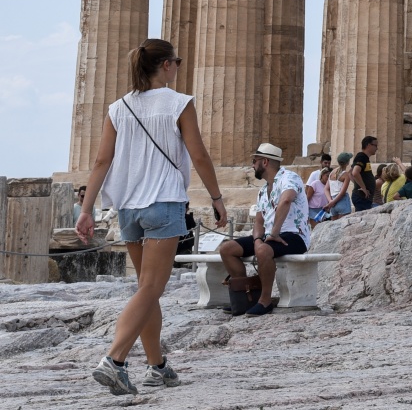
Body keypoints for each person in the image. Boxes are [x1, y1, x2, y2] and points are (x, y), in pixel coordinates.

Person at [78, 39, 227, 395]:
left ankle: (158, 366)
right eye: (176, 60)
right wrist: (217, 198)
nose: (177, 65)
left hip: (128, 209)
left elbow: (102, 162)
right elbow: (200, 155)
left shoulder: (119, 108)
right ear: (165, 66)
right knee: (150, 288)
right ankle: (114, 361)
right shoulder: (178, 103)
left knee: (148, 290)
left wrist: (86, 210)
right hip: (163, 204)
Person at [217, 142, 309, 318]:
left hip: (294, 235)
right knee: (227, 249)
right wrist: (258, 238)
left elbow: (286, 201)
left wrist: (274, 233)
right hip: (269, 236)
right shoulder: (262, 190)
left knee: (263, 250)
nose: (252, 165)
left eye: (254, 160)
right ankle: (245, 296)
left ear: (264, 162)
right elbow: (259, 221)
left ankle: (265, 301)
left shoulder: (289, 178)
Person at [348, 135, 379, 211]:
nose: (377, 148)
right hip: (362, 197)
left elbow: (350, 172)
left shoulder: (364, 158)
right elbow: (355, 173)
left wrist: (359, 184)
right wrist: (363, 188)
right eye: (375, 145)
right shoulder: (362, 157)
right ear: (368, 145)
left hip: (363, 197)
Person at [305, 153, 332, 222]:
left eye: (329, 163)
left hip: (324, 209)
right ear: (321, 162)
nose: (327, 165)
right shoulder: (314, 174)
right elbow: (308, 188)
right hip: (314, 208)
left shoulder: (330, 178)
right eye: (325, 163)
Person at [326, 152, 353, 219]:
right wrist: (332, 202)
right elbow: (342, 193)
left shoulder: (331, 173)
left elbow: (326, 189)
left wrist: (330, 201)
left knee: (334, 227)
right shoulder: (346, 174)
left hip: (333, 203)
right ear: (347, 163)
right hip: (342, 201)